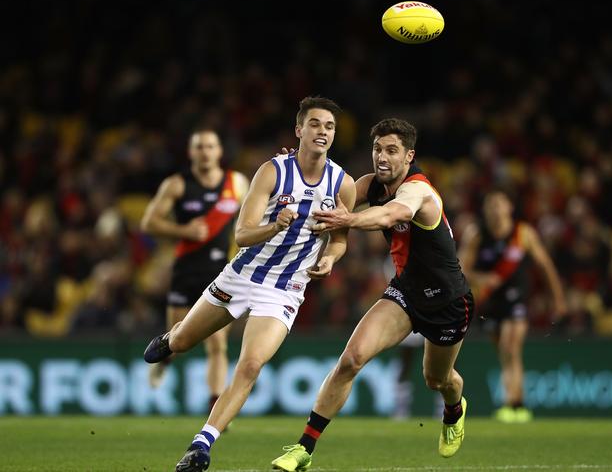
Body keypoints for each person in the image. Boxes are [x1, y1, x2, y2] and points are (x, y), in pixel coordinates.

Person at [143, 96, 356, 472]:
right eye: (316, 124)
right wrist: (276, 225)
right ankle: (171, 338)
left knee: (251, 364)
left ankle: (202, 445)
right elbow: (241, 235)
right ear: (299, 130)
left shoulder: (343, 184)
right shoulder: (272, 172)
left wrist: (330, 258)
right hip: (240, 277)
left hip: (285, 290)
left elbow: (340, 239)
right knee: (182, 342)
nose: (323, 132)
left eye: (330, 127)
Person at [271, 118, 475, 472]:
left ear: (409, 156)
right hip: (405, 293)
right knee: (351, 359)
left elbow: (389, 215)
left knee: (436, 379)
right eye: (378, 149)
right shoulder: (371, 184)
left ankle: (455, 409)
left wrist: (345, 221)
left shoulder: (418, 191)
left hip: (448, 301)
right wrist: (298, 165)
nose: (382, 157)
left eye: (392, 151)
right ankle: (303, 448)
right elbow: (330, 191)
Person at [140, 129, 249, 411]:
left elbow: (254, 216)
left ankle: (215, 406)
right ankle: (163, 363)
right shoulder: (176, 185)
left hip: (221, 273)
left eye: (210, 146)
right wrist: (182, 230)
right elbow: (149, 222)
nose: (205, 152)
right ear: (191, 153)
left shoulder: (236, 183)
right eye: (199, 147)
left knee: (217, 345)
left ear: (219, 151)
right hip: (185, 270)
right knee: (177, 339)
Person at [457, 188, 567, 423]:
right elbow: (460, 269)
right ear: (485, 209)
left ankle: (514, 403)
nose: (495, 209)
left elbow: (545, 266)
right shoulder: (476, 234)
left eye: (500, 204)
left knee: (510, 345)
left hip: (517, 298)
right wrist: (481, 279)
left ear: (510, 207)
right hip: (491, 301)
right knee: (505, 353)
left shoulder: (522, 233)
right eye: (491, 204)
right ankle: (517, 404)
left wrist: (558, 299)